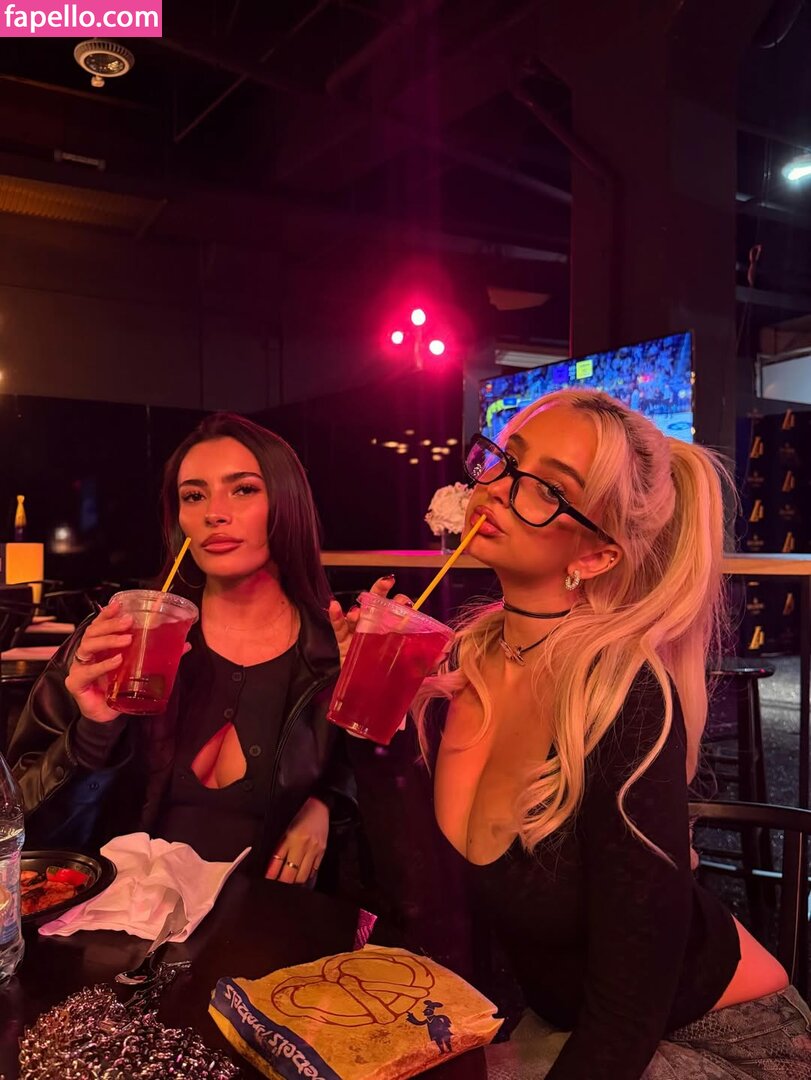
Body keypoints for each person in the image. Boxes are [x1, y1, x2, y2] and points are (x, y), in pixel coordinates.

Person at [330, 388, 810, 1078]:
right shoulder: (461, 666)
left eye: (548, 489)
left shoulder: (621, 694)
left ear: (596, 556)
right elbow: (420, 891)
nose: (498, 489)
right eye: (505, 460)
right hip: (572, 1022)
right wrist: (372, 718)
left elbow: (628, 1008)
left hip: (726, 1042)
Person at [11, 413, 354, 885]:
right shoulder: (123, 637)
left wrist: (329, 800)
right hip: (123, 910)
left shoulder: (331, 650)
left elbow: (378, 811)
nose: (215, 512)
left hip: (268, 917)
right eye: (194, 495)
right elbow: (21, 830)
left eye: (243, 489)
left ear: (286, 502)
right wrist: (93, 731)